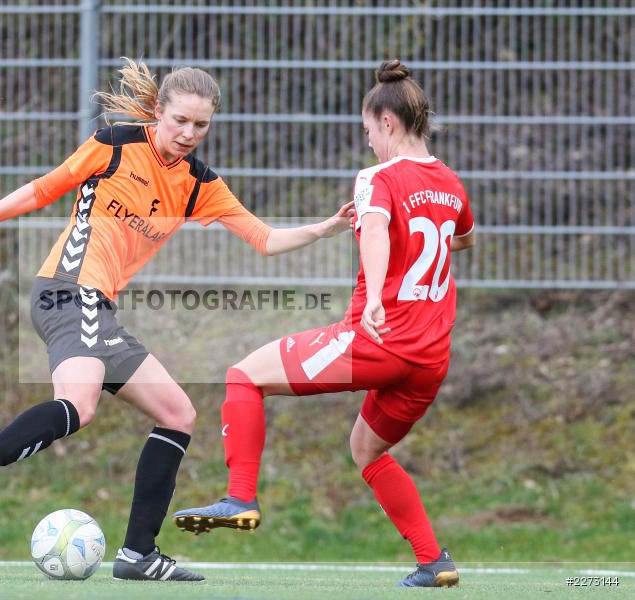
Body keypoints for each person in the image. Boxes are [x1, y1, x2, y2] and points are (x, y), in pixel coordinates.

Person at [0, 57, 354, 582]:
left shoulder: (199, 184)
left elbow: (264, 239)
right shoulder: (116, 144)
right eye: (180, 121)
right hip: (69, 288)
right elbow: (42, 189)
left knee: (177, 413)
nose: (189, 133)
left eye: (201, 125)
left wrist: (324, 229)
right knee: (81, 405)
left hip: (97, 308)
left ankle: (138, 554)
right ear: (158, 112)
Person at [174, 59, 475, 588]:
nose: (368, 142)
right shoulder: (450, 182)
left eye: (368, 130)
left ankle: (240, 497)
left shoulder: (377, 177)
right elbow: (464, 238)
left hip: (377, 340)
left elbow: (376, 231)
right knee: (367, 450)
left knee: (243, 376)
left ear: (387, 122)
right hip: (430, 358)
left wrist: (377, 294)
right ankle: (434, 562)